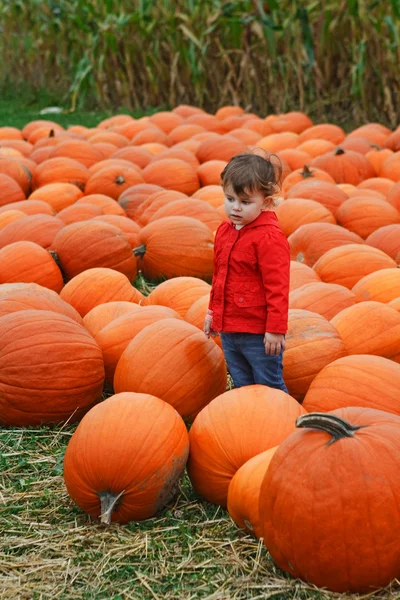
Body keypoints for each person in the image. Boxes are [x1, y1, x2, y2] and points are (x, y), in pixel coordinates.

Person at [204, 152, 290, 393]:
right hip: (230, 330)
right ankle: (248, 426)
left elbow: (278, 288)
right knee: (242, 384)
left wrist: (275, 329)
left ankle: (281, 423)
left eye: (245, 202)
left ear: (266, 202)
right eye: (230, 199)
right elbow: (219, 277)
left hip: (258, 334)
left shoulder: (269, 239)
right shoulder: (224, 231)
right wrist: (213, 313)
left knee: (268, 384)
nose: (236, 208)